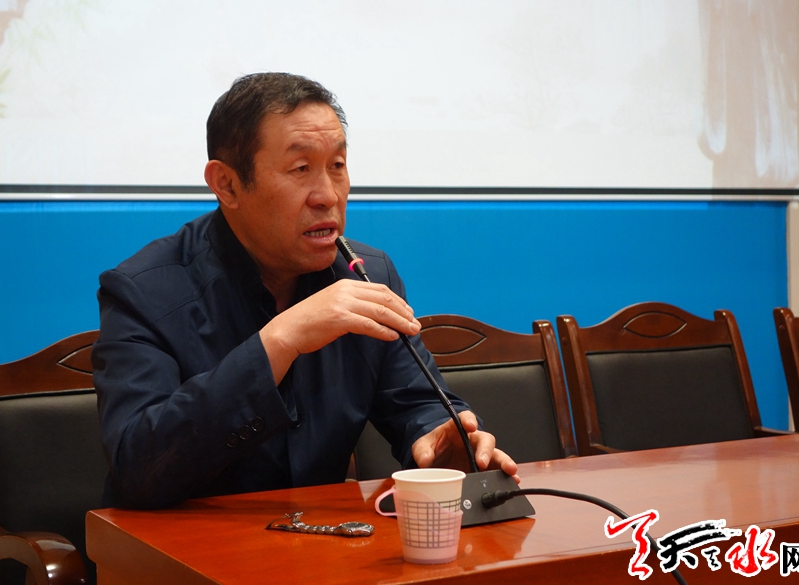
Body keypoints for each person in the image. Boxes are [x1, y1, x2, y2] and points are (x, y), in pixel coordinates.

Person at [91, 72, 518, 509]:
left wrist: (441, 439)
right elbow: (138, 469)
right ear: (227, 184)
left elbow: (417, 403)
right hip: (184, 545)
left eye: (337, 166)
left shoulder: (366, 276)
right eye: (301, 169)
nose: (328, 196)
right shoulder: (144, 292)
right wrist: (278, 343)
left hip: (321, 540)